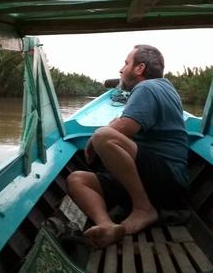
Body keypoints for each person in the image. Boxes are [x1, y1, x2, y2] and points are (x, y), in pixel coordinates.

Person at [67, 44, 189, 248]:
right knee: (77, 179)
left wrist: (93, 141)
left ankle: (143, 209)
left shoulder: (146, 87)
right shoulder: (165, 87)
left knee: (103, 136)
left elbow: (123, 128)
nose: (121, 70)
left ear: (139, 68)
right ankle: (107, 226)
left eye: (126, 63)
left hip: (167, 179)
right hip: (149, 180)